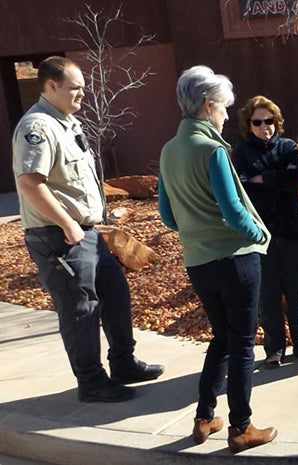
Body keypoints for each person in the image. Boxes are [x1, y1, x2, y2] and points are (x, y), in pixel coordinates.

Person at [11, 56, 164, 403]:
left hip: (88, 233)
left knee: (115, 294)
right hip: (59, 236)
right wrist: (67, 223)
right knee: (81, 309)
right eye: (75, 88)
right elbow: (30, 183)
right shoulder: (37, 127)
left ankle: (123, 364)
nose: (83, 94)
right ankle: (92, 382)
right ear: (51, 86)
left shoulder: (68, 123)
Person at [157, 66, 277, 453]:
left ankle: (205, 416)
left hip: (198, 261)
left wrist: (195, 230)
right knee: (242, 343)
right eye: (224, 107)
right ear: (208, 105)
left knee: (222, 338)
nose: (227, 115)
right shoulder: (213, 150)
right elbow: (233, 210)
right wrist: (259, 235)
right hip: (236, 260)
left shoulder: (169, 150)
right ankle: (241, 428)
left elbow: (167, 215)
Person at [231, 96, 298, 368]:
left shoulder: (288, 147)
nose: (264, 126)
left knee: (297, 289)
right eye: (257, 122)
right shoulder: (241, 153)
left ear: (276, 121)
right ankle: (274, 349)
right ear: (249, 125)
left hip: (291, 228)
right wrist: (279, 178)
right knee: (269, 292)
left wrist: (265, 178)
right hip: (261, 233)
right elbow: (244, 188)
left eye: (268, 120)